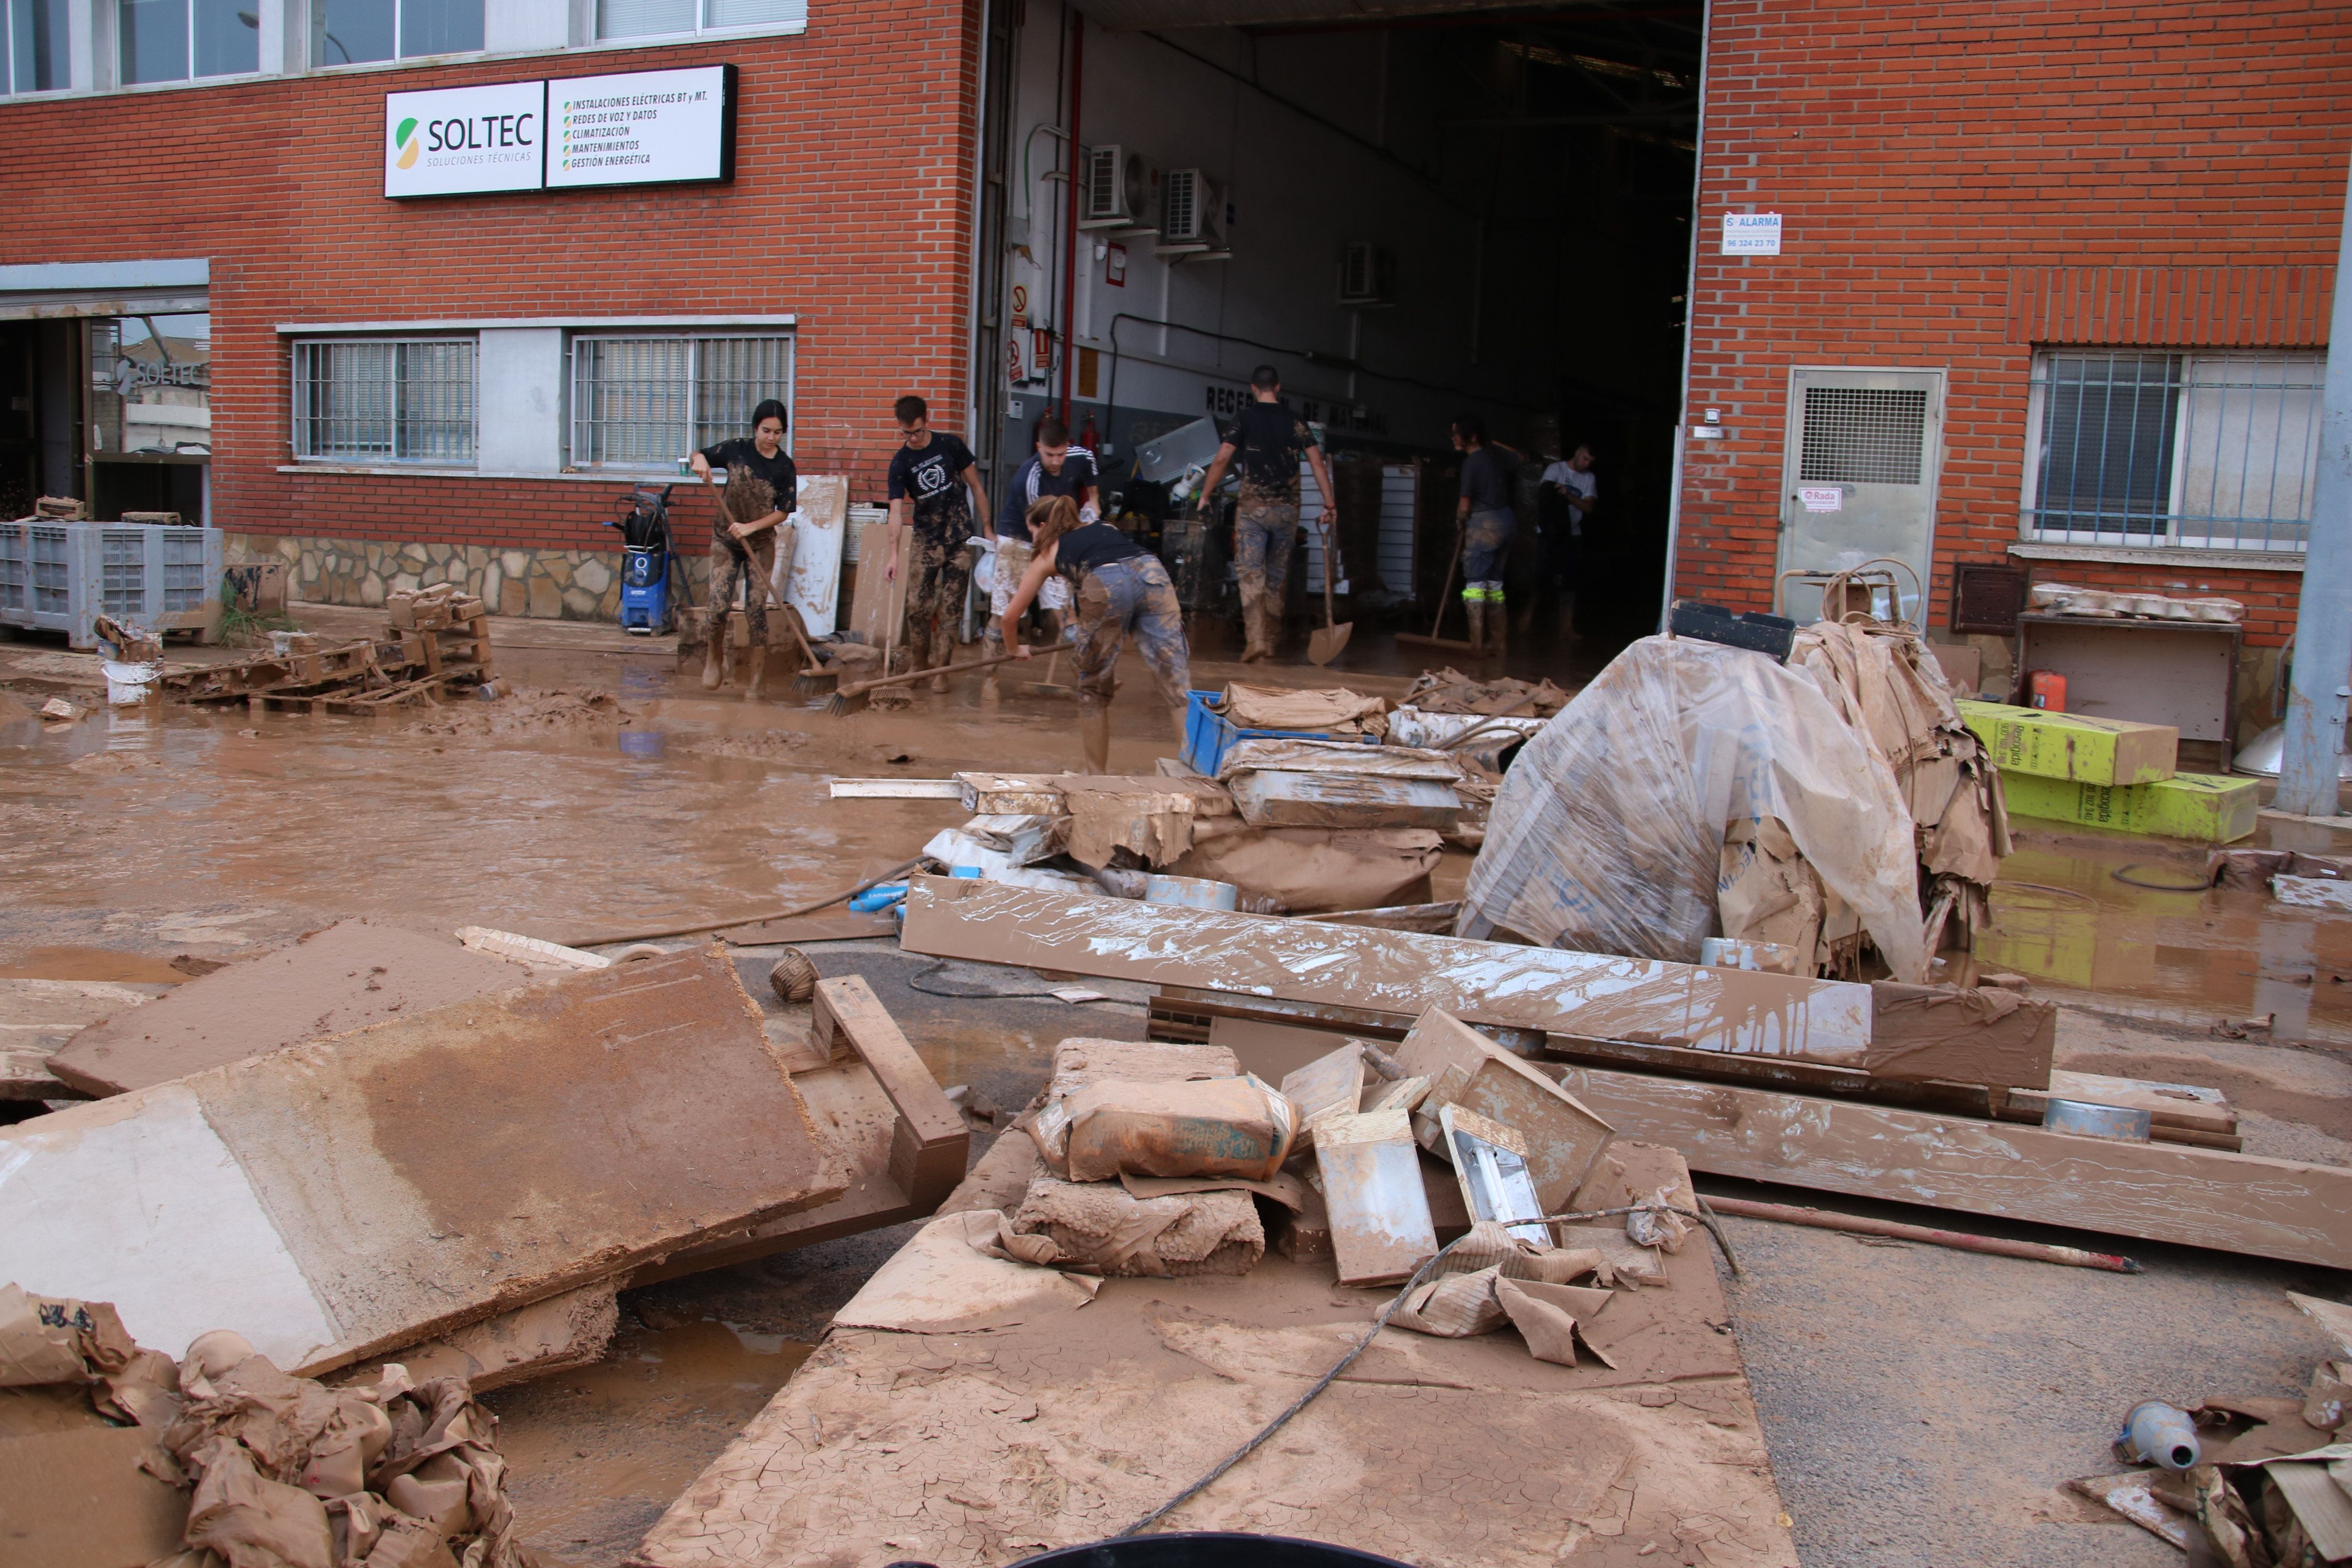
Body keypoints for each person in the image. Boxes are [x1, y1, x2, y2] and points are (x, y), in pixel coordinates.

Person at [999, 495, 1191, 774]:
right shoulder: (1105, 528)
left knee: (1091, 690)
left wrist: (1014, 649)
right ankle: (1197, 777)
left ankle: (1096, 776)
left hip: (1107, 582)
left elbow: (1009, 617)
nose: (1034, 538)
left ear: (1042, 525)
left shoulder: (1048, 553)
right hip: (1153, 573)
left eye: (1032, 532)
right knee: (1178, 687)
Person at [1194, 365, 1336, 663]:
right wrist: (1329, 504)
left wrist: (1205, 495)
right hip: (1287, 511)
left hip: (1253, 510)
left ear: (1254, 388)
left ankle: (1256, 639)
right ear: (1279, 387)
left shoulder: (1244, 418)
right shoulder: (1296, 420)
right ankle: (1271, 642)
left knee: (1250, 573)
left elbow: (1222, 458)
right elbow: (1318, 463)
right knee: (1276, 577)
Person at [687, 398, 797, 700]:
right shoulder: (737, 449)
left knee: (756, 611)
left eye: (777, 432)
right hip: (725, 540)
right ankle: (713, 658)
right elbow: (700, 454)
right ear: (755, 428)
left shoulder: (784, 466)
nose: (771, 438)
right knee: (719, 605)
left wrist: (751, 527)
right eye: (766, 431)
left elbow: (783, 512)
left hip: (760, 544)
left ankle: (757, 679)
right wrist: (699, 459)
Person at [884, 395, 992, 692]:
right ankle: (919, 664)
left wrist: (988, 528)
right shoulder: (900, 462)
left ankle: (941, 668)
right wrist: (893, 555)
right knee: (917, 606)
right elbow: (895, 512)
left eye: (917, 431)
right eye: (906, 433)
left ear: (926, 421)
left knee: (952, 607)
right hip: (926, 541)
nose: (914, 438)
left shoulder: (950, 445)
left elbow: (976, 486)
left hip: (959, 538)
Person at [986, 414, 1098, 656]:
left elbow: (1089, 464)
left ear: (1068, 446)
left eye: (1061, 454)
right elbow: (1039, 532)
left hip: (1054, 533)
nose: (1056, 462)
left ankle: (1089, 681)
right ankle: (989, 681)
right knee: (1004, 612)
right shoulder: (1028, 478)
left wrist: (1094, 501)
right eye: (1049, 455)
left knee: (1068, 613)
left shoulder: (1080, 456)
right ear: (1039, 448)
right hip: (1018, 538)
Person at [1451, 413, 1522, 660]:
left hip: (1485, 526)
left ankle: (1477, 648)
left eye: (1457, 433)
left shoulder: (1472, 463)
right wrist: (1490, 442)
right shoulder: (1495, 456)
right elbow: (1520, 457)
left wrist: (1461, 521)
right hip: (1507, 523)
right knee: (1495, 587)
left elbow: (1464, 504)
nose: (1453, 438)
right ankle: (1499, 645)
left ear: (1470, 437)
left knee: (1474, 587)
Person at [1536, 443, 1596, 619]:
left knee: (1570, 582)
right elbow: (1545, 496)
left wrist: (1568, 495)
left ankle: (1566, 627)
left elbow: (1589, 507)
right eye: (1585, 459)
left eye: (1590, 462)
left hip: (1572, 535)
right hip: (1548, 534)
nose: (1586, 464)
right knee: (1541, 578)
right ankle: (1529, 617)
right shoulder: (1556, 469)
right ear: (1577, 452)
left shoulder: (1589, 478)